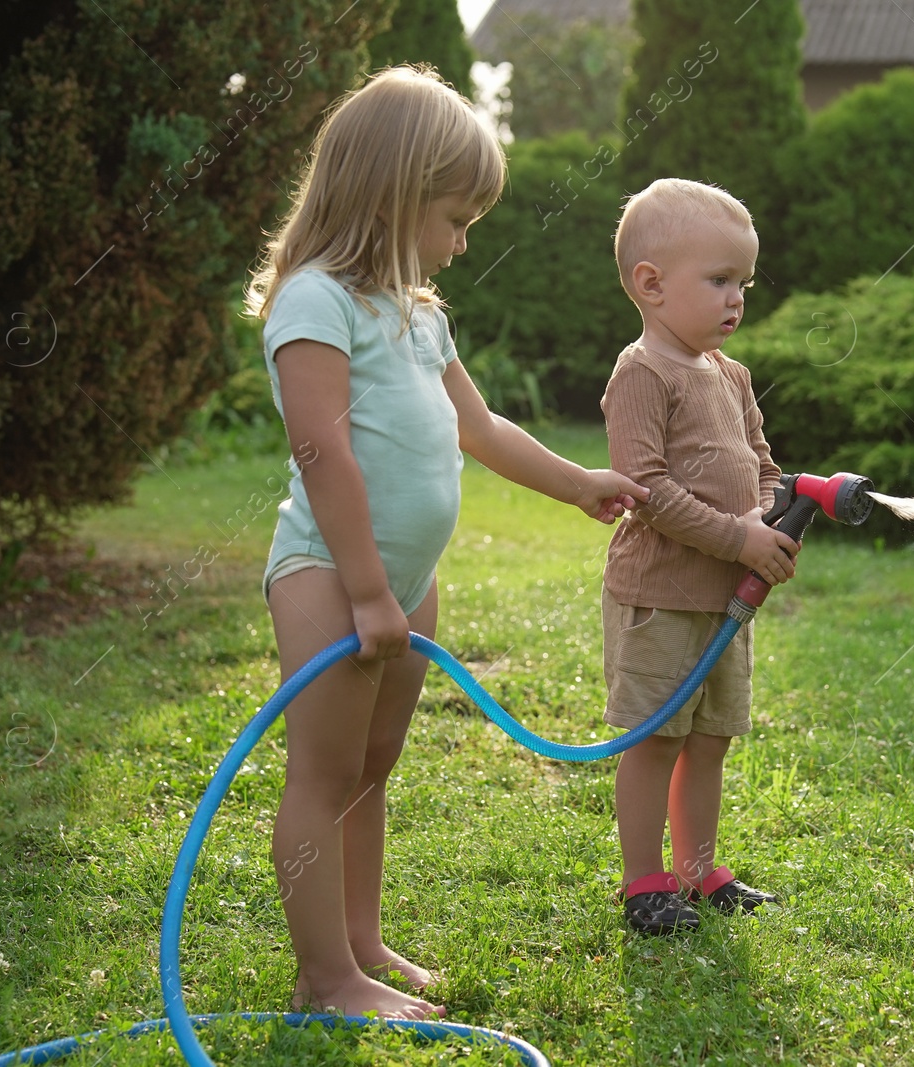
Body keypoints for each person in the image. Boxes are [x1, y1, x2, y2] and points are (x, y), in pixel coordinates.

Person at [245, 66, 650, 1019]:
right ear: (390, 196)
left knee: (374, 766)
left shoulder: (415, 312)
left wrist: (576, 482)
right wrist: (369, 590)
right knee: (325, 771)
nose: (464, 242)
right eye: (456, 218)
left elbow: (484, 428)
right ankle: (326, 978)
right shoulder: (317, 303)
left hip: (403, 579)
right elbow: (324, 450)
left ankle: (361, 939)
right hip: (330, 577)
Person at [600, 179, 798, 935]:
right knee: (659, 738)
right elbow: (645, 488)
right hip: (661, 596)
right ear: (651, 284)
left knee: (710, 736)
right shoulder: (642, 374)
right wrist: (739, 535)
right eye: (719, 280)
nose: (736, 299)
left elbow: (762, 462)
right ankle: (646, 882)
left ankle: (698, 868)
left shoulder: (732, 374)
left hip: (725, 597)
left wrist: (773, 516)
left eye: (742, 282)